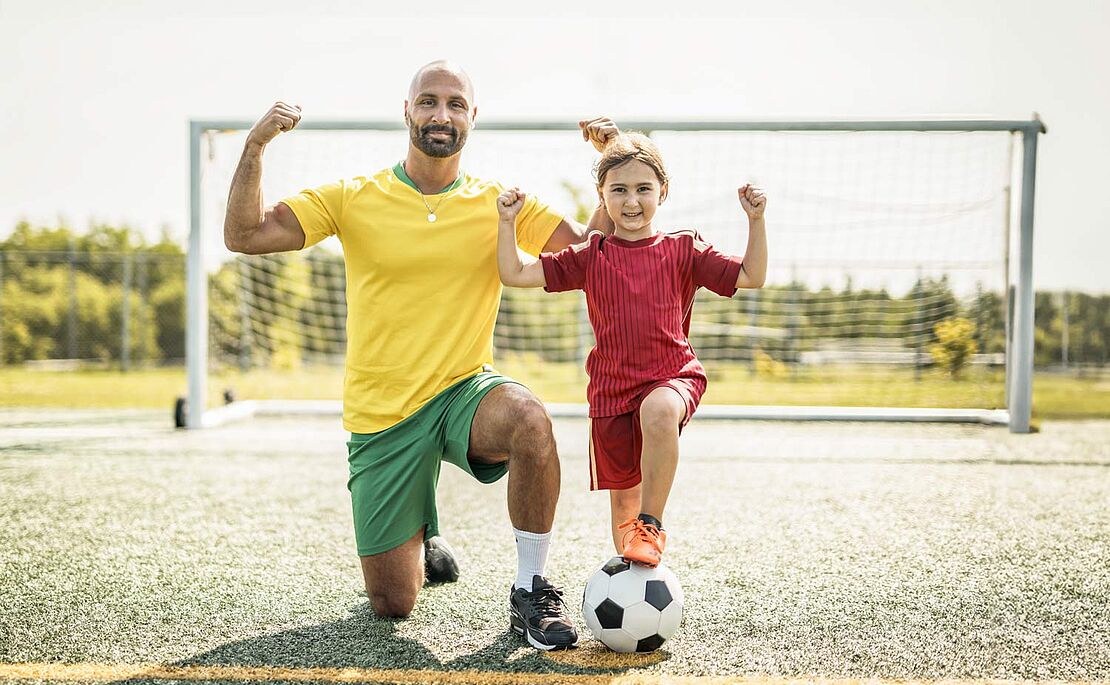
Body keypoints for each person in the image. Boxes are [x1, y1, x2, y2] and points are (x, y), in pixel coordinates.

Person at [223, 59, 618, 651]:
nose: (441, 114)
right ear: (406, 111)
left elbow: (593, 254)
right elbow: (245, 235)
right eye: (428, 101)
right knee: (392, 605)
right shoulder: (354, 197)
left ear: (472, 118)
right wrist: (255, 146)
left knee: (530, 418)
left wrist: (609, 163)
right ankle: (419, 536)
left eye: (455, 104)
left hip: (464, 393)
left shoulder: (499, 203)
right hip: (382, 415)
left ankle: (531, 591)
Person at [496, 132, 767, 568]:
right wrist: (507, 223)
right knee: (625, 518)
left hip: (672, 377)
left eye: (644, 188)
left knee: (658, 411)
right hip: (611, 393)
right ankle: (634, 579)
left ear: (664, 190)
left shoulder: (683, 247)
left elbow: (751, 276)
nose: (632, 200)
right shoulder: (592, 254)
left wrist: (756, 220)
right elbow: (514, 273)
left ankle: (654, 523)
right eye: (619, 189)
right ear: (602, 196)